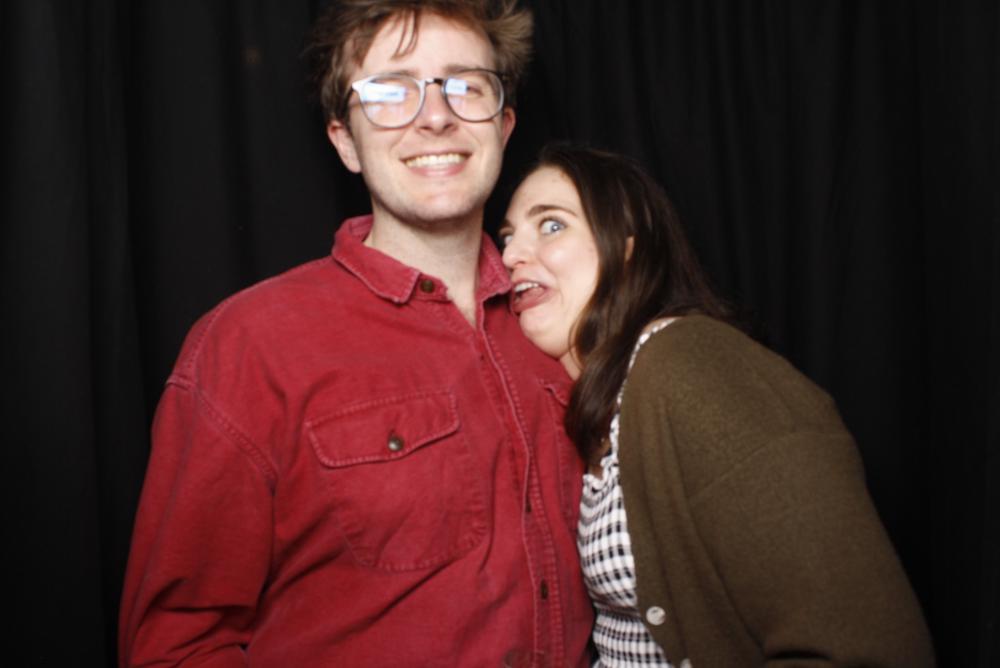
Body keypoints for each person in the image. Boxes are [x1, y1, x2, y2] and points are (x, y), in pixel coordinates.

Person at [118, 3, 593, 666]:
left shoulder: (565, 321)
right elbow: (178, 644)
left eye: (466, 85)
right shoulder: (251, 345)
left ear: (504, 123)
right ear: (344, 141)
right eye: (392, 92)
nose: (435, 116)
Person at [499, 144, 936, 667]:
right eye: (507, 237)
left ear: (629, 249)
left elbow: (869, 644)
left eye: (551, 225)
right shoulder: (605, 401)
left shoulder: (689, 364)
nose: (511, 256)